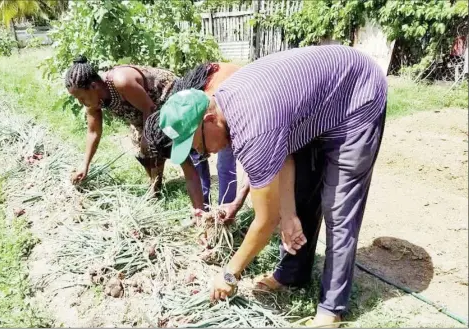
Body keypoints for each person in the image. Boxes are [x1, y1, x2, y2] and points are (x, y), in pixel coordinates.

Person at [158, 45, 387, 327]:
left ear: (209, 120)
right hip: (318, 101)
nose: (205, 153)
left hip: (357, 93)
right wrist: (289, 215)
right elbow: (285, 153)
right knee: (303, 191)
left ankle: (331, 309)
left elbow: (264, 222)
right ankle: (291, 274)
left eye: (197, 145)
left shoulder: (253, 128)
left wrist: (230, 274)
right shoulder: (227, 105)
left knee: (339, 208)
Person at [143, 62, 249, 218]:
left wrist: (233, 206)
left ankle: (225, 213)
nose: (197, 150)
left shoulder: (217, 108)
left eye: (195, 145)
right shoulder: (178, 118)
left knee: (224, 163)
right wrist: (200, 214)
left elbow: (259, 167)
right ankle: (209, 211)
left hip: (238, 98)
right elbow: (190, 173)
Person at [64, 55, 176, 194]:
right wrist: (85, 166)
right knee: (141, 149)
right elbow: (93, 132)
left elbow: (150, 108)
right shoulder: (92, 100)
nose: (81, 102)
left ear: (94, 86)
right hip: (144, 111)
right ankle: (155, 185)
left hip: (167, 98)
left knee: (153, 143)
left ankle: (179, 176)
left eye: (81, 97)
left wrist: (147, 137)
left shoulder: (121, 82)